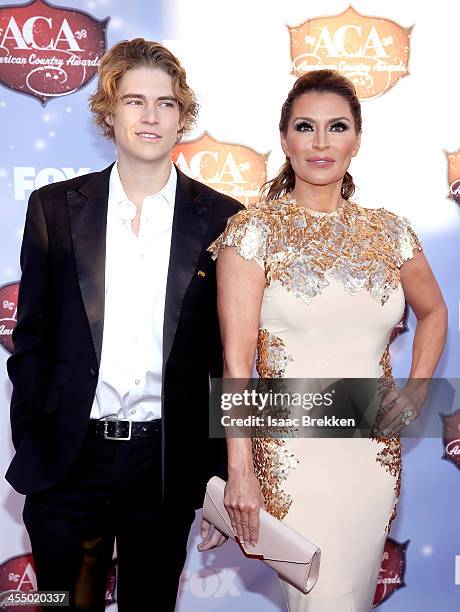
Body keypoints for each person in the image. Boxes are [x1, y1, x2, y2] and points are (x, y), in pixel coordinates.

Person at [6, 38, 243, 611]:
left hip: (164, 464)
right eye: (134, 101)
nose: (150, 116)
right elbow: (31, 339)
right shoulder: (54, 208)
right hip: (67, 459)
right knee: (63, 603)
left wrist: (216, 476)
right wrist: (36, 440)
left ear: (182, 116)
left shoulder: (222, 219)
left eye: (165, 103)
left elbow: (224, 358)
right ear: (108, 112)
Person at [205, 70, 447, 610]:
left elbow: (434, 312)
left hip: (371, 458)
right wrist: (240, 470)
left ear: (356, 139)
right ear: (284, 139)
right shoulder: (253, 232)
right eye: (304, 127)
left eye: (336, 127)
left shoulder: (391, 232)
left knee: (351, 594)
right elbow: (237, 360)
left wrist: (415, 394)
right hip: (291, 455)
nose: (320, 142)